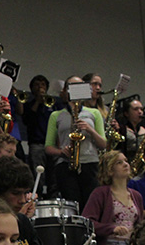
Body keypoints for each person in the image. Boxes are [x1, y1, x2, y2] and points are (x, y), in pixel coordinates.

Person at [82, 150, 143, 245]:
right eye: (119, 162)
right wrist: (111, 228)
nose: (125, 164)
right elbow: (87, 222)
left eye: (126, 160)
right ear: (110, 170)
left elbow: (139, 225)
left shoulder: (136, 196)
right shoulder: (101, 193)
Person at [45, 76, 107, 207]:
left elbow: (103, 144)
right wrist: (61, 151)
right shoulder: (56, 115)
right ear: (66, 91)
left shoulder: (94, 113)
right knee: (72, 205)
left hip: (90, 164)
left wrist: (89, 129)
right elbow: (48, 147)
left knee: (92, 205)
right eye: (71, 86)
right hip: (66, 165)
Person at [110, 97, 145, 162]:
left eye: (141, 109)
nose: (140, 112)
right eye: (136, 109)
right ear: (126, 113)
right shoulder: (121, 128)